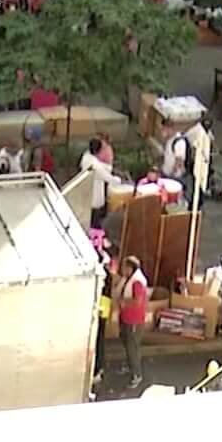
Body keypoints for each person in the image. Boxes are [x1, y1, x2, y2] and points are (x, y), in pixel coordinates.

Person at [115, 255, 149, 389]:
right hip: (125, 318)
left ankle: (137, 374)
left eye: (124, 267)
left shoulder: (137, 282)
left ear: (130, 268)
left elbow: (138, 301)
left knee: (132, 347)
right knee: (126, 343)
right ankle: (129, 367)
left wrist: (123, 302)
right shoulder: (127, 279)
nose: (122, 269)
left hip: (134, 320)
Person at [78, 138, 120, 230]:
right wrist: (117, 180)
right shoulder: (94, 164)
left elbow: (102, 167)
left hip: (88, 194)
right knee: (94, 222)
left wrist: (108, 168)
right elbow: (106, 176)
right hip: (94, 197)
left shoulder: (87, 157)